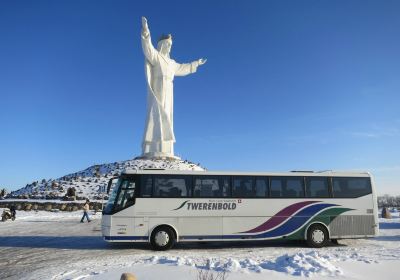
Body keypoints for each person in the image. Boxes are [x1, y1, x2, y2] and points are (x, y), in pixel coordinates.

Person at [141, 16, 206, 158]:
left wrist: (196, 63)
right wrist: (146, 32)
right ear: (162, 45)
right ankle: (153, 145)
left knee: (168, 116)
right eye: (168, 44)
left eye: (171, 45)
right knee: (157, 113)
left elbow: (183, 68)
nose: (170, 47)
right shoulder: (157, 57)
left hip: (169, 90)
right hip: (158, 88)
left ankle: (166, 147)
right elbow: (148, 48)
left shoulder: (171, 63)